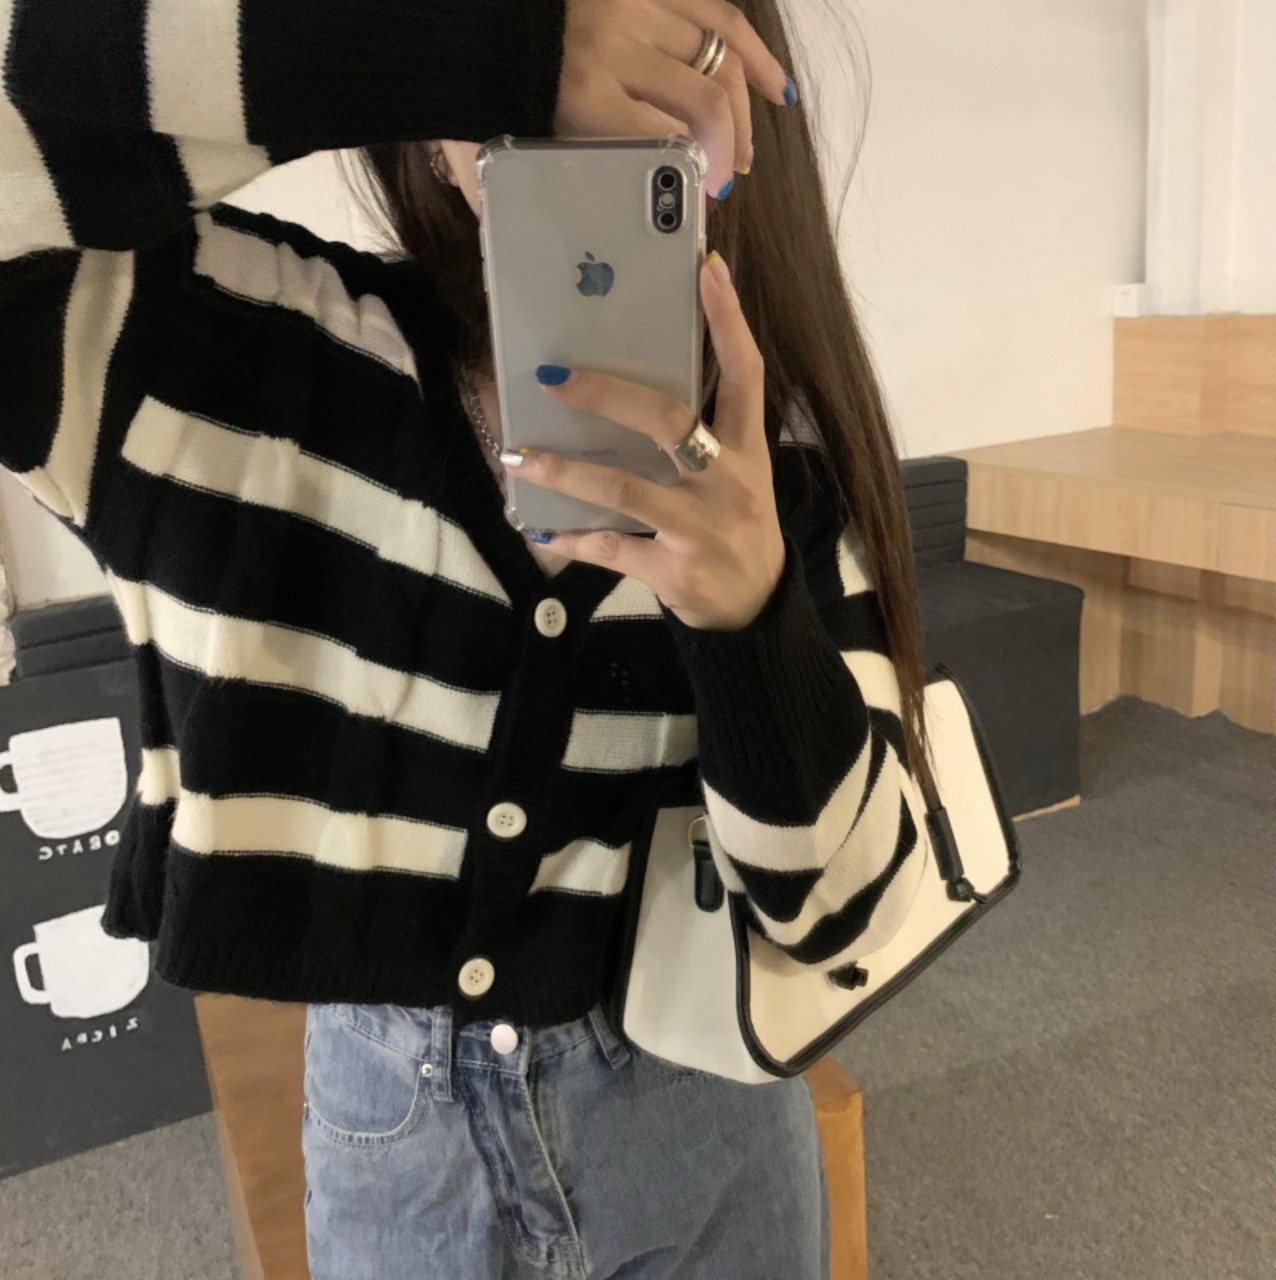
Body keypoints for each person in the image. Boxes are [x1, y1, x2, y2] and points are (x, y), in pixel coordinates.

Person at [0, 1, 929, 1276]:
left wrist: (748, 615)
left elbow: (841, 918)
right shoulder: (225, 353)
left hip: (700, 1122)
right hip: (393, 1150)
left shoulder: (775, 470)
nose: (584, 84)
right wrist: (476, 45)